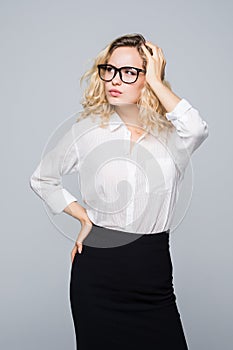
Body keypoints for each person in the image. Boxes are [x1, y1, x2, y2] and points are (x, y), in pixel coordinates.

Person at [29, 33, 209, 349]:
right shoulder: (87, 131)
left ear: (148, 79)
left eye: (129, 73)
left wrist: (156, 80)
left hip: (152, 275)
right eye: (109, 70)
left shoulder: (173, 138)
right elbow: (42, 179)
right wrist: (84, 218)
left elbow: (197, 127)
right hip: (97, 276)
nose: (115, 80)